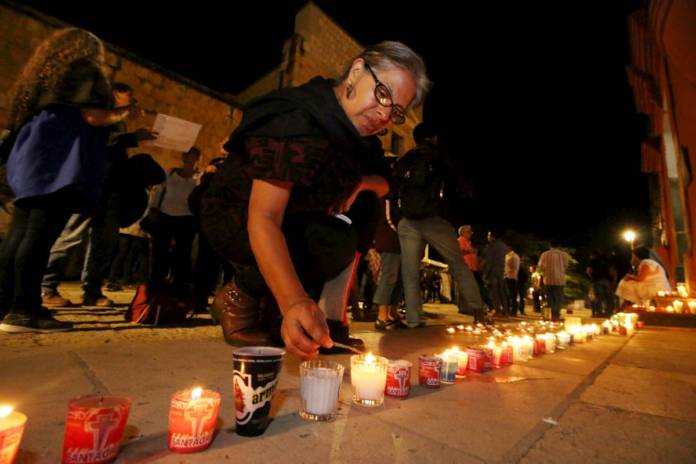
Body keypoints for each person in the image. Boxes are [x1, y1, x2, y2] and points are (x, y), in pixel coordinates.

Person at [200, 41, 430, 358]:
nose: (384, 114)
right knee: (329, 241)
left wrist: (361, 183)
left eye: (396, 111)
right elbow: (264, 218)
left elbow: (386, 183)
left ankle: (331, 318)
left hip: (297, 218)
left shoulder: (359, 141)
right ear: (357, 71)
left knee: (360, 211)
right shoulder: (295, 120)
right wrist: (293, 301)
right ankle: (240, 294)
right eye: (382, 94)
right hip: (236, 216)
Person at [0, 28, 142, 333]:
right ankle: (24, 310)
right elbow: (93, 117)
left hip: (34, 156)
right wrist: (125, 112)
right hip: (60, 160)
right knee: (40, 234)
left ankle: (6, 305)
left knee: (20, 232)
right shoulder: (83, 70)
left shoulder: (43, 77)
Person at [40, 83, 157, 307]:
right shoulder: (95, 116)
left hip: (110, 190)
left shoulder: (118, 123)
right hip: (88, 185)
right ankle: (47, 288)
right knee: (70, 237)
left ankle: (92, 291)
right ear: (114, 97)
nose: (133, 105)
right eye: (129, 100)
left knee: (104, 243)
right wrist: (133, 137)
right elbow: (99, 143)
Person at [393, 122, 486, 325]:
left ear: (416, 139)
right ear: (433, 137)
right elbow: (461, 184)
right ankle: (478, 311)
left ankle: (413, 319)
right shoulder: (440, 156)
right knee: (457, 265)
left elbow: (394, 186)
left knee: (409, 272)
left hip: (408, 221)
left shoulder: (407, 158)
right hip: (435, 220)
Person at [537, 238, 571, 321]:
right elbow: (566, 266)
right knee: (558, 298)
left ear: (550, 245)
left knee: (550, 298)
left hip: (548, 279)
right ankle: (556, 314)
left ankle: (553, 314)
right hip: (560, 280)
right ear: (559, 246)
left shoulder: (544, 254)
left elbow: (541, 267)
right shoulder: (564, 255)